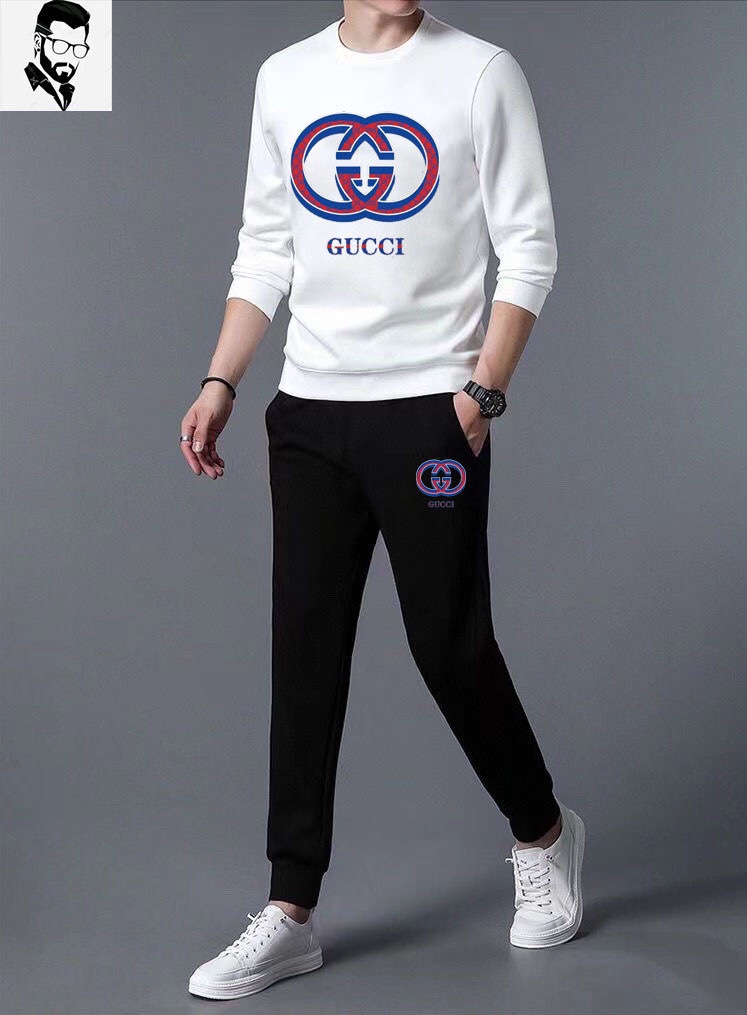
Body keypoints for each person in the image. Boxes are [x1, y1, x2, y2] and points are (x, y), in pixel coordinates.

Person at [182, 1, 585, 1000]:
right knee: (305, 650)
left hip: (429, 414)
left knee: (449, 645)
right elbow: (266, 246)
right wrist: (222, 379)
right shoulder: (286, 78)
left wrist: (483, 391)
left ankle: (543, 830)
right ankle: (290, 909)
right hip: (310, 414)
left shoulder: (481, 72)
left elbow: (530, 246)